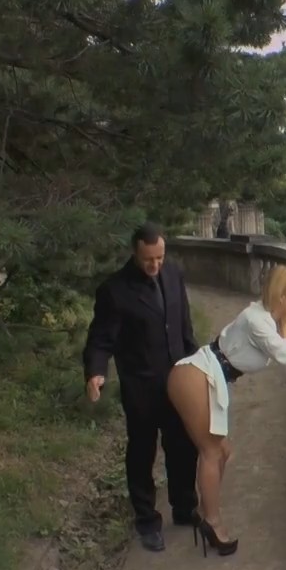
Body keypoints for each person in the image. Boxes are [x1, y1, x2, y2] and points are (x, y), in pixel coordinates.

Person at [166, 265, 286, 556]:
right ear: (282, 296)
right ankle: (211, 521)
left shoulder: (272, 319)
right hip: (196, 375)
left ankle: (207, 511)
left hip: (210, 376)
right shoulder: (256, 320)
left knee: (223, 452)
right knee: (212, 452)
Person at [84, 223, 200, 553]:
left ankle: (184, 506)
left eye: (160, 257)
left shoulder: (173, 275)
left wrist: (197, 364)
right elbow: (100, 338)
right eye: (149, 259)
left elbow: (184, 327)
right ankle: (147, 520)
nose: (155, 265)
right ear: (135, 253)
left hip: (178, 380)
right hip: (141, 387)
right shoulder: (115, 290)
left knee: (183, 446)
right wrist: (95, 372)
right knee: (142, 452)